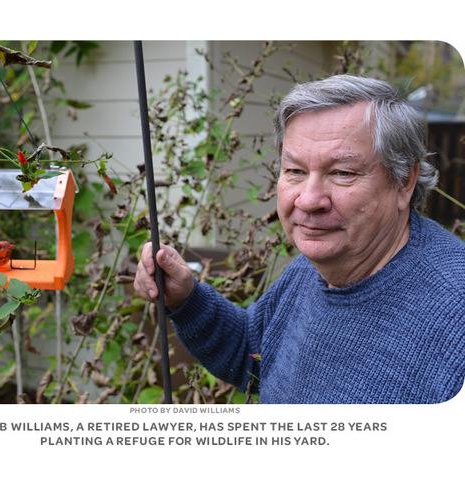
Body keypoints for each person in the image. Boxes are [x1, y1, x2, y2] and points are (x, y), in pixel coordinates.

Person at [134, 74, 465, 404]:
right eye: (295, 171)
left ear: (404, 183)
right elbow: (254, 356)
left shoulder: (454, 315)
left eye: (342, 173)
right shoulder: (312, 268)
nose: (308, 200)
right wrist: (187, 300)